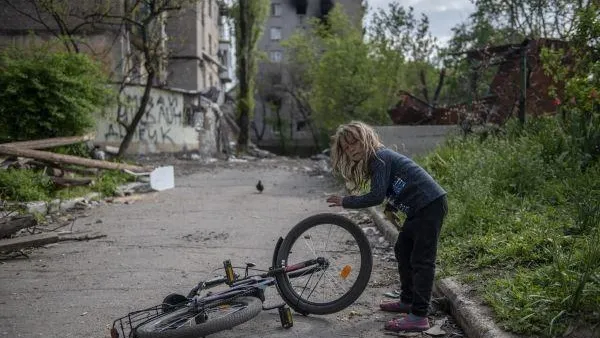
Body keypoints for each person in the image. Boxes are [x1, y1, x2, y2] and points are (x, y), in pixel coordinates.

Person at [326, 121, 448, 332]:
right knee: (403, 250)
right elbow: (398, 183)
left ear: (365, 138)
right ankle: (408, 300)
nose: (351, 149)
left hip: (429, 205)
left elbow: (376, 195)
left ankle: (419, 316)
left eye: (353, 143)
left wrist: (345, 201)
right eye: (346, 147)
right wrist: (392, 205)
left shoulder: (379, 157)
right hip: (419, 208)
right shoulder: (377, 160)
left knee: (422, 260)